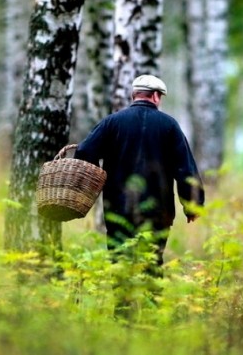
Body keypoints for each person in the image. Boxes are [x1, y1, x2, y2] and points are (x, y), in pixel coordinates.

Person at [75, 74, 205, 268]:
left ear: (134, 95)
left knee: (119, 263)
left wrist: (95, 180)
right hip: (158, 212)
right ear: (154, 96)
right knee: (151, 265)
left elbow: (84, 151)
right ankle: (149, 297)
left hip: (118, 209)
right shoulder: (169, 125)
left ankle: (122, 299)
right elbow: (185, 169)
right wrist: (192, 204)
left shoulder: (112, 122)